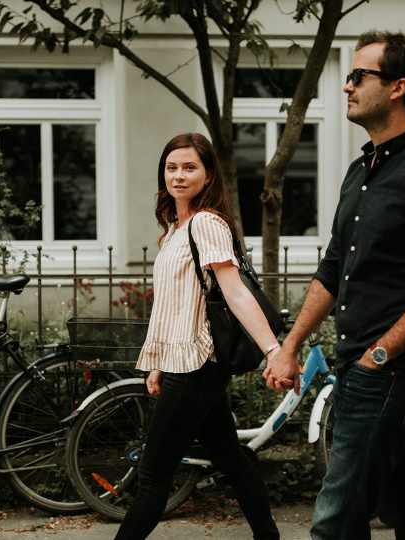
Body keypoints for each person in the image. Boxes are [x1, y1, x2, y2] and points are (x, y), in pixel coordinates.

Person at [264, 30, 405, 539]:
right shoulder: (362, 169)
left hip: (390, 372)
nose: (347, 86)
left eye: (359, 75)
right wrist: (290, 345)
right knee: (404, 506)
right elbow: (335, 267)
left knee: (335, 520)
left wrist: (379, 356)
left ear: (398, 87)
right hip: (357, 364)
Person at [114, 132, 281, 540]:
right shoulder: (176, 227)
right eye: (172, 167)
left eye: (189, 167)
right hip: (186, 363)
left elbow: (235, 291)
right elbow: (173, 304)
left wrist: (274, 350)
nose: (179, 175)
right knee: (231, 456)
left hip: (197, 365)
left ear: (208, 176)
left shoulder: (206, 223)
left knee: (153, 474)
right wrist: (157, 363)